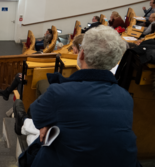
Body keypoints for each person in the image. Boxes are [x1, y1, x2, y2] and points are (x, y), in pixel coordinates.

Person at [18, 26, 140, 167]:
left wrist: (48, 124)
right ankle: (23, 122)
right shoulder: (125, 97)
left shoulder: (59, 93)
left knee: (40, 136)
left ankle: (22, 122)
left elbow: (36, 115)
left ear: (81, 54)